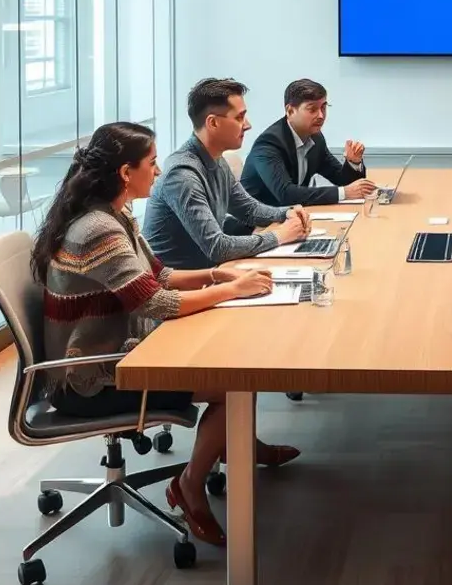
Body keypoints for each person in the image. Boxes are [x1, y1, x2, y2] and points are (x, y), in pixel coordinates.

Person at [31, 122, 301, 550]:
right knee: (234, 385)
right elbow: (154, 303)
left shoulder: (113, 215)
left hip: (120, 358)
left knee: (229, 359)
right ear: (126, 172)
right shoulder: (98, 229)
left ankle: (234, 445)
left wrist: (218, 275)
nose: (157, 172)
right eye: (152, 163)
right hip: (90, 381)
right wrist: (230, 290)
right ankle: (189, 485)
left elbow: (159, 276)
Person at [143, 78, 309, 271]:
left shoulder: (217, 159)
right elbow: (218, 247)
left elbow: (249, 210)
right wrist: (280, 235)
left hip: (212, 274)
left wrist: (286, 212)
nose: (247, 125)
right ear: (212, 123)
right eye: (239, 117)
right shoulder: (182, 175)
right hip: (184, 288)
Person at [241, 78, 377, 207]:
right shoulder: (269, 144)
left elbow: (343, 181)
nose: (321, 116)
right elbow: (286, 194)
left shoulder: (316, 138)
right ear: (290, 111)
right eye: (312, 109)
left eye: (323, 107)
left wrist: (353, 163)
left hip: (289, 218)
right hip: (254, 226)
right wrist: (343, 192)